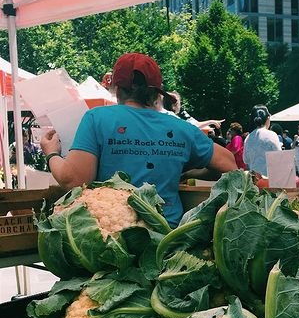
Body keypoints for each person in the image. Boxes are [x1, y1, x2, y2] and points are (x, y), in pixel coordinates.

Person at [39, 52, 236, 226]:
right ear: (156, 92)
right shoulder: (181, 128)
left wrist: (51, 153)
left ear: (117, 88)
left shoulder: (97, 119)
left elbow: (74, 180)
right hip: (168, 239)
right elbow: (229, 165)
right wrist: (182, 169)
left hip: (115, 241)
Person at [242, 104, 282, 177]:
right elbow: (279, 156)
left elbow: (245, 160)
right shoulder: (272, 135)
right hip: (269, 178)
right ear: (268, 118)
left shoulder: (248, 137)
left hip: (254, 179)